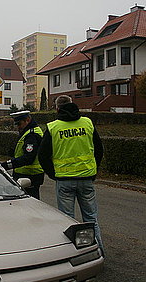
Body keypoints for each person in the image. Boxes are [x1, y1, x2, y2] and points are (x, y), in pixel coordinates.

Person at [38, 95, 105, 255]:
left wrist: (54, 175)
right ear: (72, 104)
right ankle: (99, 252)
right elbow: (99, 149)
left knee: (68, 220)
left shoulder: (53, 127)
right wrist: (93, 171)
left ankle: (74, 256)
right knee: (91, 219)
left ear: (57, 108)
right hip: (86, 179)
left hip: (64, 181)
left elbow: (43, 155)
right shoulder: (87, 123)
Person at [0, 110, 44, 199]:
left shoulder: (32, 134)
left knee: (30, 205)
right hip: (26, 176)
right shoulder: (27, 132)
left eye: (19, 124)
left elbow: (28, 157)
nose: (18, 127)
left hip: (30, 177)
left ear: (27, 120)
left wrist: (6, 165)